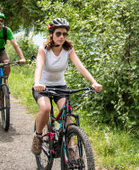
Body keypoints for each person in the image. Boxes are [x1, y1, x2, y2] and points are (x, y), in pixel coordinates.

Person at [31, 17, 102, 154]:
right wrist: (37, 83)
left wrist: (94, 82)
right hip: (43, 86)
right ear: (52, 34)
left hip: (60, 86)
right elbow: (38, 66)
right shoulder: (43, 49)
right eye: (58, 33)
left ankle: (70, 148)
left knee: (67, 114)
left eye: (64, 34)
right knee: (46, 109)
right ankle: (38, 136)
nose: (61, 37)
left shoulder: (68, 49)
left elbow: (80, 66)